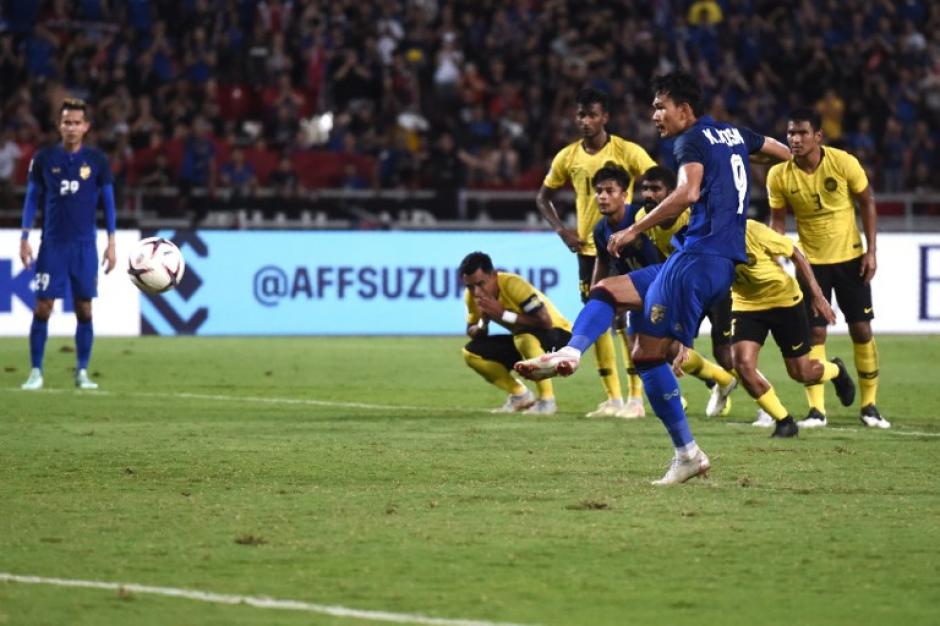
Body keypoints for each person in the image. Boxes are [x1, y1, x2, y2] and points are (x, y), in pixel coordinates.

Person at [517, 72, 790, 484]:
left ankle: (687, 452)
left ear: (685, 109)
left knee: (647, 355)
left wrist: (633, 230)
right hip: (709, 261)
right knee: (606, 290)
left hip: (698, 260)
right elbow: (783, 152)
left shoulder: (690, 140)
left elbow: (687, 192)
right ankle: (572, 352)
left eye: (661, 106)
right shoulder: (733, 134)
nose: (655, 115)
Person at [536, 87, 657, 418]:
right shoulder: (567, 157)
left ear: (605, 117)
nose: (585, 121)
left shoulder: (627, 151)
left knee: (628, 320)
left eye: (591, 114)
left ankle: (635, 399)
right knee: (598, 318)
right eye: (580, 115)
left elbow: (659, 182)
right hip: (591, 249)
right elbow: (542, 197)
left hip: (627, 245)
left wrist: (642, 225)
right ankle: (613, 398)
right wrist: (562, 230)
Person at [767, 108, 888, 429]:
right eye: (791, 133)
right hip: (812, 264)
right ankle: (817, 411)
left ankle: (869, 405)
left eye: (802, 133)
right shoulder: (779, 175)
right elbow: (777, 221)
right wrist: (775, 253)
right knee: (815, 333)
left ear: (818, 136)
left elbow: (867, 201)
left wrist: (871, 251)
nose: (794, 139)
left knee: (861, 329)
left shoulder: (843, 162)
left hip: (850, 258)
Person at [591, 164, 736, 418]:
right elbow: (603, 260)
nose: (602, 196)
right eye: (598, 191)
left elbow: (661, 260)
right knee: (645, 349)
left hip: (667, 287)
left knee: (670, 349)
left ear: (624, 194)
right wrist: (598, 295)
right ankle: (693, 391)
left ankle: (720, 381)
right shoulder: (602, 229)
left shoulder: (642, 220)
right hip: (642, 289)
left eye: (608, 191)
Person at [19, 98, 117, 390]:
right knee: (43, 307)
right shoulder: (45, 158)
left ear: (86, 127)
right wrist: (24, 237)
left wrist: (112, 242)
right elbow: (32, 198)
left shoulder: (97, 161)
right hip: (53, 245)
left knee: (84, 309)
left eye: (76, 123)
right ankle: (36, 371)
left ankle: (82, 372)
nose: (71, 127)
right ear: (59, 126)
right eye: (66, 122)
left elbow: (108, 202)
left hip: (85, 246)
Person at [730, 220, 857, 437]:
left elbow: (795, 252)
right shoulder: (703, 237)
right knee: (742, 365)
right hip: (746, 305)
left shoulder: (751, 229)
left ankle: (836, 371)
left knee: (802, 372)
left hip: (784, 302)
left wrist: (817, 296)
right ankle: (784, 421)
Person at [460, 251, 571, 416]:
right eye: (469, 286)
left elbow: (545, 322)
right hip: (523, 338)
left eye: (480, 284)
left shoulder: (513, 284)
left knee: (524, 339)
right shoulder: (473, 297)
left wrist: (503, 314)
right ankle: (520, 395)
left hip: (558, 335)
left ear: (494, 275)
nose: (476, 291)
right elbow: (472, 329)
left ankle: (547, 401)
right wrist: (483, 324)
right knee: (471, 353)